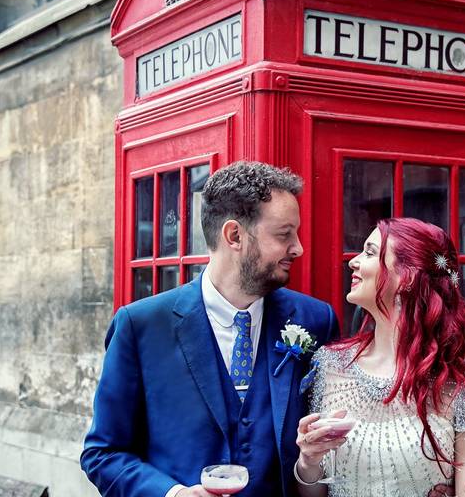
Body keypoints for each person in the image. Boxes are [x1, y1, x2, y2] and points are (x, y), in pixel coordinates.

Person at [81, 161, 340, 497]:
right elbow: (103, 453)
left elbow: (328, 448)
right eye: (283, 234)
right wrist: (172, 494)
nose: (298, 247)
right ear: (234, 235)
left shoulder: (315, 320)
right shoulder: (141, 325)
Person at [293, 218, 465, 497]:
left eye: (370, 252)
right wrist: (308, 460)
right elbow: (314, 493)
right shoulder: (330, 363)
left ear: (407, 278)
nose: (353, 261)